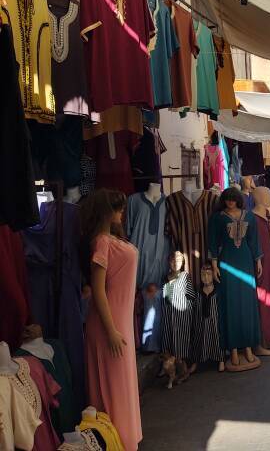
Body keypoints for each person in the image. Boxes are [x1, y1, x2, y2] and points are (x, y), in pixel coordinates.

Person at [80, 189, 142, 451]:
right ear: (106, 211)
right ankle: (117, 442)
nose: (121, 213)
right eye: (117, 208)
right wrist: (112, 331)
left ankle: (124, 441)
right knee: (114, 387)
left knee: (122, 385)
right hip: (110, 324)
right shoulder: (102, 242)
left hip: (120, 321)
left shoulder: (111, 239)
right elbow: (98, 291)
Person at [208, 187, 263, 366]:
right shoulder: (218, 218)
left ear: (238, 199)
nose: (230, 202)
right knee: (230, 304)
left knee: (247, 303)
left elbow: (254, 240)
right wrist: (214, 264)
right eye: (227, 199)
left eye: (233, 199)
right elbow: (213, 241)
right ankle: (232, 349)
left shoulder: (248, 216)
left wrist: (258, 261)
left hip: (246, 261)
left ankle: (247, 346)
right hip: (227, 263)